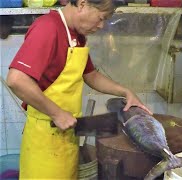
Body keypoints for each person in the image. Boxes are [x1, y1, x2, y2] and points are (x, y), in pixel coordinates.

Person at [6, 0, 152, 178]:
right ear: (82, 4)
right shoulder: (48, 28)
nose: (101, 25)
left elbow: (91, 75)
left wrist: (126, 92)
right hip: (45, 141)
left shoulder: (76, 35)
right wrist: (57, 113)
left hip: (66, 137)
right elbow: (17, 79)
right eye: (101, 18)